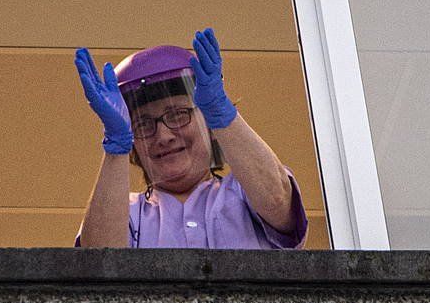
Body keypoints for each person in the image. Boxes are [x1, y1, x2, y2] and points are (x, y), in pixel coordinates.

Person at [74, 28, 307, 249]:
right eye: (143, 124)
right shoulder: (128, 212)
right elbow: (98, 262)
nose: (163, 136)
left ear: (209, 125)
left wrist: (221, 113)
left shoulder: (242, 191)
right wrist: (116, 148)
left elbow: (278, 201)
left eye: (178, 115)